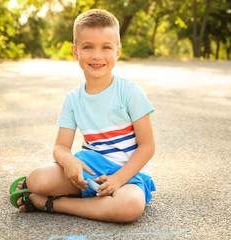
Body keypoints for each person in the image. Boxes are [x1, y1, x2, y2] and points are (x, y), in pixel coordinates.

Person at [10, 9, 156, 223]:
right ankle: (79, 195)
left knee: (129, 208)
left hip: (128, 174)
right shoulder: (73, 99)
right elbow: (60, 147)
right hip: (89, 166)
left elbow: (147, 147)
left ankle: (51, 203)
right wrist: (68, 161)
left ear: (117, 52)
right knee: (36, 180)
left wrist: (118, 179)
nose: (97, 55)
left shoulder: (130, 91)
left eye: (106, 47)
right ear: (75, 51)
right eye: (88, 47)